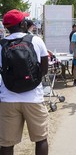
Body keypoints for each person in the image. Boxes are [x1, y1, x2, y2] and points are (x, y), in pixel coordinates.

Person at [0, 9, 49, 155]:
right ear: (22, 24)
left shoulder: (1, 44)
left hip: (8, 98)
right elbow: (44, 69)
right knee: (40, 139)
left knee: (6, 144)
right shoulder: (35, 40)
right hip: (34, 98)